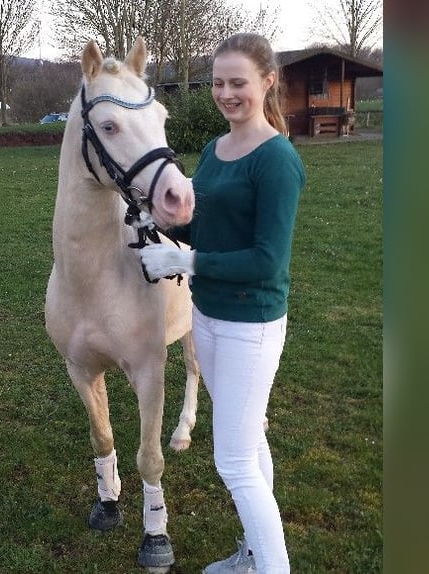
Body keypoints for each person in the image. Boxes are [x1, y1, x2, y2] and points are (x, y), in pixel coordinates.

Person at [139, 33, 306, 574]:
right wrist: (169, 222)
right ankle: (256, 556)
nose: (227, 93)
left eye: (238, 82)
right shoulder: (215, 149)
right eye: (218, 83)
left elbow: (266, 261)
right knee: (250, 437)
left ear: (267, 82)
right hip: (207, 316)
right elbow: (207, 225)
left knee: (233, 461)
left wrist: (188, 264)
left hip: (250, 325)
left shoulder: (276, 159)